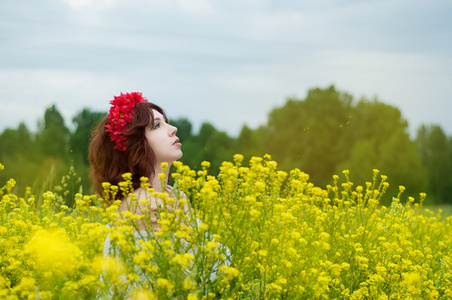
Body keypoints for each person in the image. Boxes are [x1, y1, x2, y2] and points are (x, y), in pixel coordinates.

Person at [88, 92, 187, 233]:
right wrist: (186, 222)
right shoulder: (144, 206)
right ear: (134, 144)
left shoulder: (173, 198)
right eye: (157, 126)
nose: (173, 129)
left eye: (166, 122)